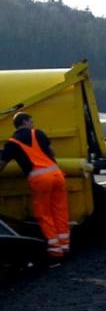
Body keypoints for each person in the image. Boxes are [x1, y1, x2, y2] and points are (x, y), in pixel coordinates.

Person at [0, 112, 70, 265]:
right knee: (60, 210)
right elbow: (52, 152)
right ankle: (65, 246)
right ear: (24, 122)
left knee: (45, 214)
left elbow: (2, 165)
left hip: (40, 179)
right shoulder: (38, 133)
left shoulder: (11, 143)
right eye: (31, 121)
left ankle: (55, 252)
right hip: (57, 174)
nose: (33, 124)